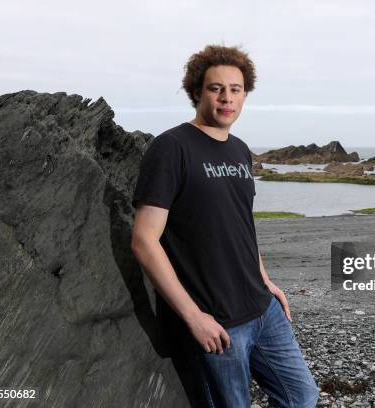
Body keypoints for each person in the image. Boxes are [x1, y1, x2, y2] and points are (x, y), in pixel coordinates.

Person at [130, 44, 319, 408]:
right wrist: (193, 317)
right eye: (216, 88)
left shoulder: (240, 150)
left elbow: (241, 222)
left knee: (302, 397)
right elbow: (143, 241)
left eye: (235, 89)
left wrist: (265, 280)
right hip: (216, 322)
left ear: (245, 94)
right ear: (197, 91)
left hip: (263, 310)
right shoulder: (171, 148)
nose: (226, 98)